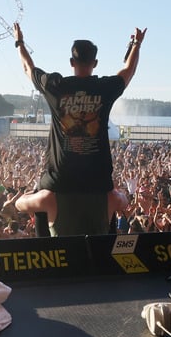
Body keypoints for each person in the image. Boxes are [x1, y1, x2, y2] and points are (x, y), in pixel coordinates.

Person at [12, 22, 146, 235]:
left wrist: (19, 42)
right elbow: (128, 72)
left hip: (60, 179)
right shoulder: (104, 88)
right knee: (109, 207)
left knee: (40, 203)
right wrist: (136, 44)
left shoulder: (55, 86)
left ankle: (47, 254)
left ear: (71, 62)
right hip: (98, 181)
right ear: (95, 62)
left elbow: (28, 67)